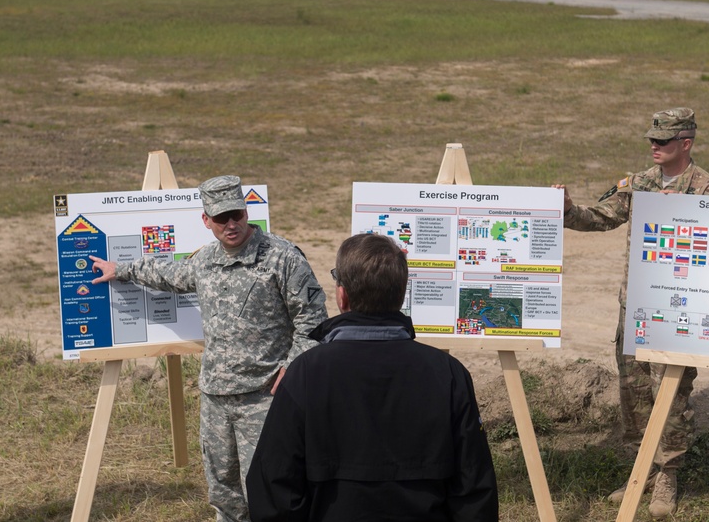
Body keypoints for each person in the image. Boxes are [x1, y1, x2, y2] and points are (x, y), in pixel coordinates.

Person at [90, 175, 328, 522]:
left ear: (247, 212)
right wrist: (121, 270)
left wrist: (291, 368)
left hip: (264, 399)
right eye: (221, 218)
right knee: (223, 492)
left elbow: (314, 320)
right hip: (216, 399)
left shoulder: (282, 258)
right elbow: (168, 274)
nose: (231, 225)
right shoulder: (205, 262)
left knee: (269, 491)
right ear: (206, 220)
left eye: (237, 215)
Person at [245, 233, 498, 522]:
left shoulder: (305, 373)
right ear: (401, 295)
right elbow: (474, 490)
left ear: (342, 296)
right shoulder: (449, 373)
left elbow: (272, 487)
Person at [553, 107, 709, 519]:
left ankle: (668, 472)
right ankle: (642, 467)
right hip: (635, 305)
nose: (653, 146)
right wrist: (567, 209)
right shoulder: (640, 183)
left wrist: (681, 217)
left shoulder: (708, 190)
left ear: (685, 143)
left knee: (674, 389)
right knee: (634, 390)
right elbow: (601, 218)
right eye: (651, 138)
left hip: (679, 305)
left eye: (662, 141)